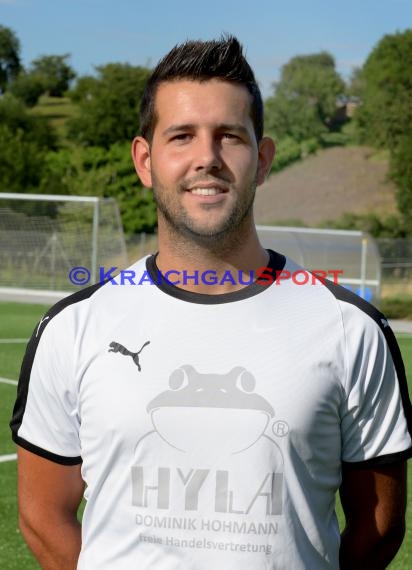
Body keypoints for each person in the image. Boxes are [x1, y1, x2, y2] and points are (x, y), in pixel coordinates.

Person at [10, 35, 412, 570]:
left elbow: (378, 527)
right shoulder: (74, 327)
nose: (207, 158)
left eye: (229, 136)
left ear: (262, 159)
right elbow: (43, 517)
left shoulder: (350, 329)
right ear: (145, 160)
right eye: (182, 136)